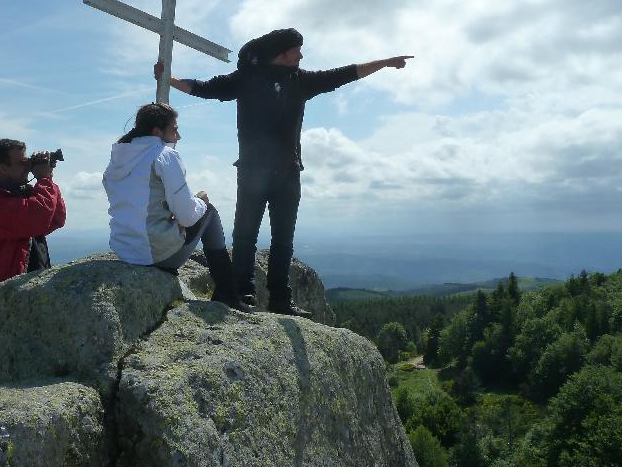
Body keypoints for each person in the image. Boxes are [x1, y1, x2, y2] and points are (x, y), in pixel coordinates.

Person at [155, 28, 413, 317]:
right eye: (296, 50)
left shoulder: (300, 80)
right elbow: (205, 88)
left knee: (280, 238)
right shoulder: (249, 79)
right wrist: (169, 79)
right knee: (247, 235)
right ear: (281, 52)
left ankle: (279, 298)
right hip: (258, 171)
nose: (301, 55)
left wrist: (385, 62)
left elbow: (344, 74)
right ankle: (244, 292)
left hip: (285, 171)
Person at [102, 102, 247, 310]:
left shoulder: (118, 159)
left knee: (189, 210)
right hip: (157, 255)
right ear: (157, 131)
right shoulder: (163, 155)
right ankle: (228, 294)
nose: (178, 137)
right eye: (174, 129)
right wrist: (201, 201)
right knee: (210, 212)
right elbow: (188, 216)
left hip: (124, 250)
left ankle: (227, 293)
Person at [0, 139, 66, 318]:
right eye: (22, 163)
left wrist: (47, 179)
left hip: (26, 291)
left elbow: (56, 218)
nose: (28, 167)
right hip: (1, 300)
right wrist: (43, 180)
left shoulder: (18, 193)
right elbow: (38, 218)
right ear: (2, 168)